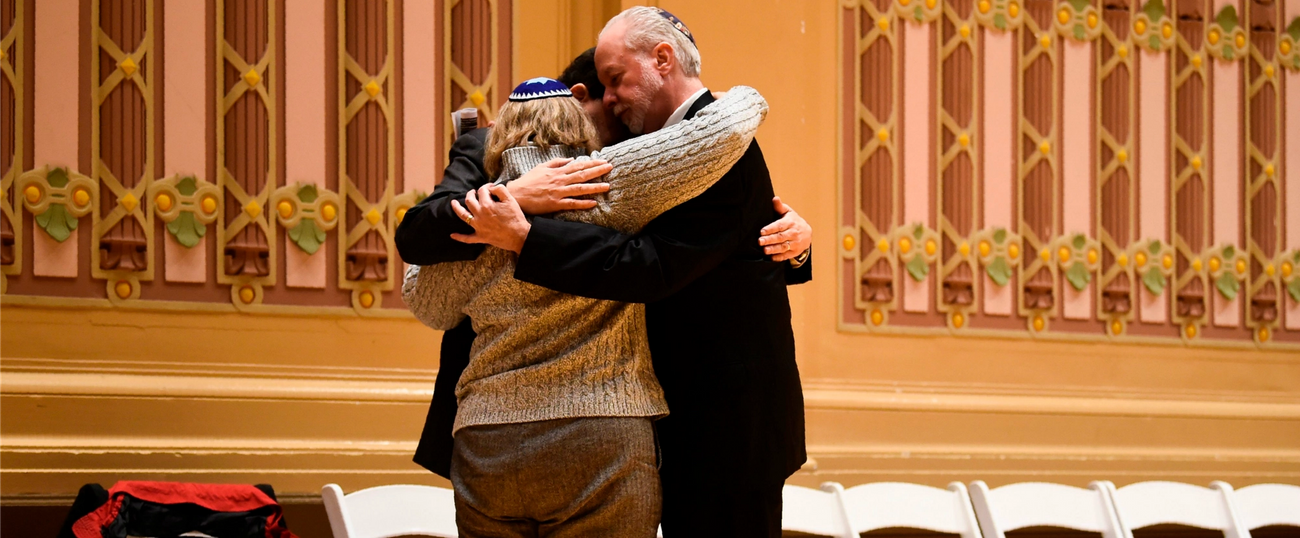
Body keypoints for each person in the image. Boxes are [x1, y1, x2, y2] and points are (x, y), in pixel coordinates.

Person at [441, 8, 809, 537]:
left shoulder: (719, 145)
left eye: (616, 80)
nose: (607, 98)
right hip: (671, 406)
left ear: (662, 59)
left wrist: (526, 237)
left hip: (727, 417)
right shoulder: (660, 143)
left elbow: (652, 266)